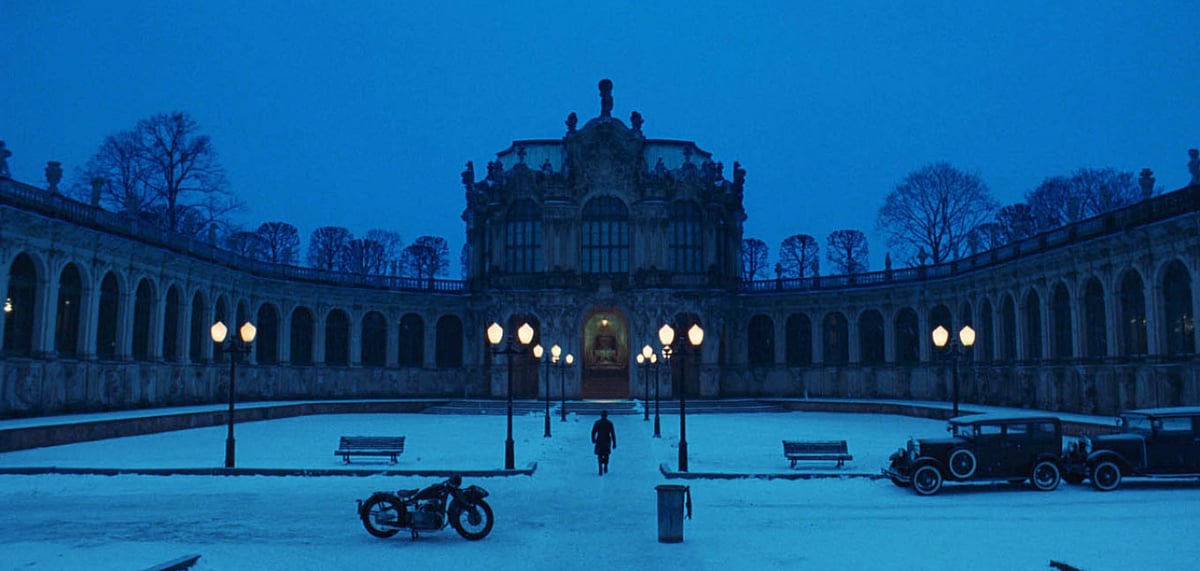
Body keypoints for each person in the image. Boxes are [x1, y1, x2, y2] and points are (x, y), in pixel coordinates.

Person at [591, 410, 616, 475]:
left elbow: (593, 432)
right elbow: (613, 433)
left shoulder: (597, 422)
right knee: (606, 455)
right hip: (607, 441)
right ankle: (605, 465)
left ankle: (600, 467)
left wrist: (593, 439)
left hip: (599, 440)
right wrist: (614, 443)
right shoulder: (609, 423)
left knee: (599, 455)